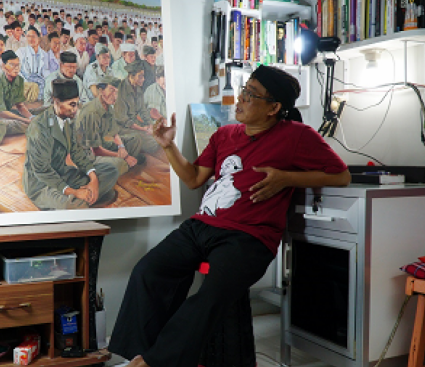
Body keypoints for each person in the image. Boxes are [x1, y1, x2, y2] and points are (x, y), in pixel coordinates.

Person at [107, 65, 351, 367]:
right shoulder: (224, 134)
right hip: (201, 226)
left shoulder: (298, 136)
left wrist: (287, 178)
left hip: (249, 236)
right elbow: (195, 178)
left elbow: (341, 176)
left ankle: (150, 363)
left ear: (274, 108)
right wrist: (168, 146)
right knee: (148, 271)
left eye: (251, 94)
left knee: (211, 296)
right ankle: (140, 357)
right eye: (244, 89)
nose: (241, 98)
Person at [22, 79, 121, 210]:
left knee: (111, 171)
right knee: (75, 205)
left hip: (62, 173)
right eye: (72, 105)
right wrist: (74, 192)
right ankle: (85, 199)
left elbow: (76, 152)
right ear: (56, 102)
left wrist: (94, 180)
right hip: (41, 184)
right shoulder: (38, 127)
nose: (75, 109)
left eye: (77, 104)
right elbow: (42, 171)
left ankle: (88, 196)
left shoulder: (68, 120)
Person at [75, 76, 141, 170]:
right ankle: (125, 165)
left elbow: (114, 133)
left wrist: (121, 147)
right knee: (120, 163)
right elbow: (95, 150)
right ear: (101, 91)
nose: (115, 96)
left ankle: (128, 164)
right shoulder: (91, 112)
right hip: (88, 153)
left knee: (135, 139)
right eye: (111, 90)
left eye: (117, 92)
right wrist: (124, 156)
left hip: (102, 144)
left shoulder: (109, 107)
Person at [113, 60, 158, 155]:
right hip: (122, 128)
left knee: (157, 138)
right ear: (132, 76)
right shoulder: (120, 90)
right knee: (151, 143)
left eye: (143, 76)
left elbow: (142, 109)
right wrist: (143, 129)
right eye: (140, 76)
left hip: (135, 124)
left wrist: (149, 124)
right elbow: (122, 119)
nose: (143, 79)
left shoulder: (138, 88)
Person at [0, 50, 32, 133]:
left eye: (17, 65)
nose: (16, 68)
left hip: (9, 114)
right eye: (12, 65)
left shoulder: (19, 80)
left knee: (38, 113)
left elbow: (20, 106)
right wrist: (24, 120)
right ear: (3, 66)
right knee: (24, 125)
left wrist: (31, 117)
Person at [15, 26, 47, 100]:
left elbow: (46, 73)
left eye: (33, 36)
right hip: (25, 85)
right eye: (28, 36)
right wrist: (28, 84)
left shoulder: (44, 54)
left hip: (41, 85)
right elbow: (16, 71)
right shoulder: (20, 52)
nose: (30, 39)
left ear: (39, 38)